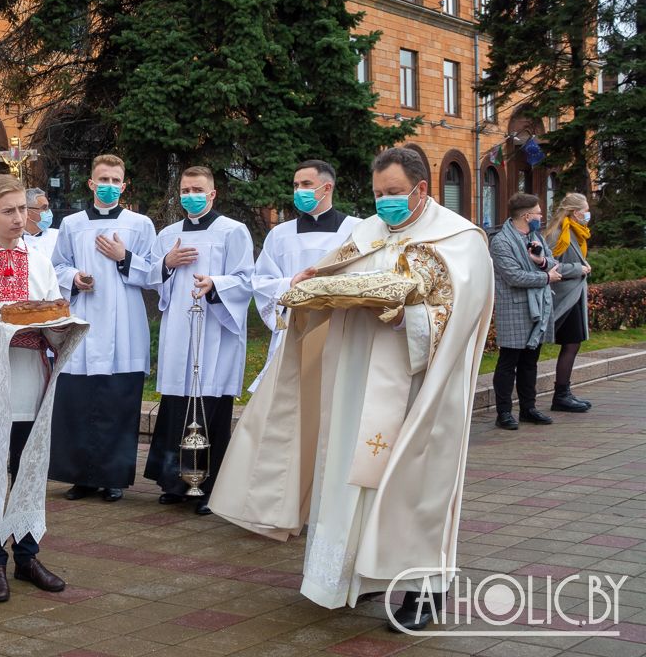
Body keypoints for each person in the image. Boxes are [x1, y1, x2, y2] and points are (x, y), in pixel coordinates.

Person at [211, 147, 494, 633]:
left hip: (419, 385)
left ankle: (425, 586)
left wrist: (406, 316)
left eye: (393, 193)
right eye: (378, 193)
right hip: (357, 380)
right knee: (351, 479)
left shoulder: (459, 238)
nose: (384, 202)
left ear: (421, 189)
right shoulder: (367, 232)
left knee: (414, 485)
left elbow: (462, 314)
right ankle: (356, 577)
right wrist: (308, 285)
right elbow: (334, 279)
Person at [0, 174, 82, 603]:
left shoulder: (40, 261)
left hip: (31, 381)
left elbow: (54, 313)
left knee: (28, 472)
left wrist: (60, 329)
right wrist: (1, 329)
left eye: (23, 209)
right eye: (8, 211)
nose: (18, 218)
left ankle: (27, 557)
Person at [144, 167, 254, 515]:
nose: (190, 195)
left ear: (212, 193)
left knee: (210, 405)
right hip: (179, 329)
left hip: (215, 331)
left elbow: (246, 280)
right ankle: (174, 483)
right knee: (176, 403)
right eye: (185, 189)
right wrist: (167, 263)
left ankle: (209, 487)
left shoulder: (233, 231)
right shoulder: (168, 234)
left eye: (197, 189)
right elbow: (151, 277)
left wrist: (216, 284)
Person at [49, 155, 156, 503]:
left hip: (124, 324)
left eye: (115, 181)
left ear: (124, 186)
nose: (109, 186)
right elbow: (57, 267)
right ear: (91, 183)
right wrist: (74, 278)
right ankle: (82, 478)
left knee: (117, 402)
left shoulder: (140, 224)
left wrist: (125, 258)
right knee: (79, 403)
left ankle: (113, 477)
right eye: (103, 180)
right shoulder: (72, 224)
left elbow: (155, 273)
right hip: (84, 318)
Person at [250, 160, 360, 394]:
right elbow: (260, 281)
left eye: (306, 184)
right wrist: (290, 283)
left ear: (327, 188)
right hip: (293, 326)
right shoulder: (280, 234)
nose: (299, 191)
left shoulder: (356, 230)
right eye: (296, 185)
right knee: (289, 394)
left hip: (339, 327)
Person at [490, 193, 563, 430]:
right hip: (514, 307)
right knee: (508, 362)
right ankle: (504, 413)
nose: (541, 217)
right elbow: (513, 276)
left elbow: (552, 262)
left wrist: (540, 261)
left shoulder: (535, 236)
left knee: (530, 361)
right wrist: (546, 277)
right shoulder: (501, 242)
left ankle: (528, 409)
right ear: (527, 215)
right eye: (539, 213)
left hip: (538, 305)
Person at [544, 193, 594, 413]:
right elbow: (548, 265)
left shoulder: (575, 231)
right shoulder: (558, 234)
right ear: (575, 212)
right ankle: (560, 396)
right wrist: (578, 269)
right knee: (570, 343)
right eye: (585, 211)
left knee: (573, 343)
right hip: (563, 297)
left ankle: (563, 393)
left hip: (574, 295)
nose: (587, 215)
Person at [23, 187, 59, 258]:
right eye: (44, 208)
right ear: (28, 212)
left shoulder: (57, 236)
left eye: (48, 207)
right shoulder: (15, 241)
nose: (49, 212)